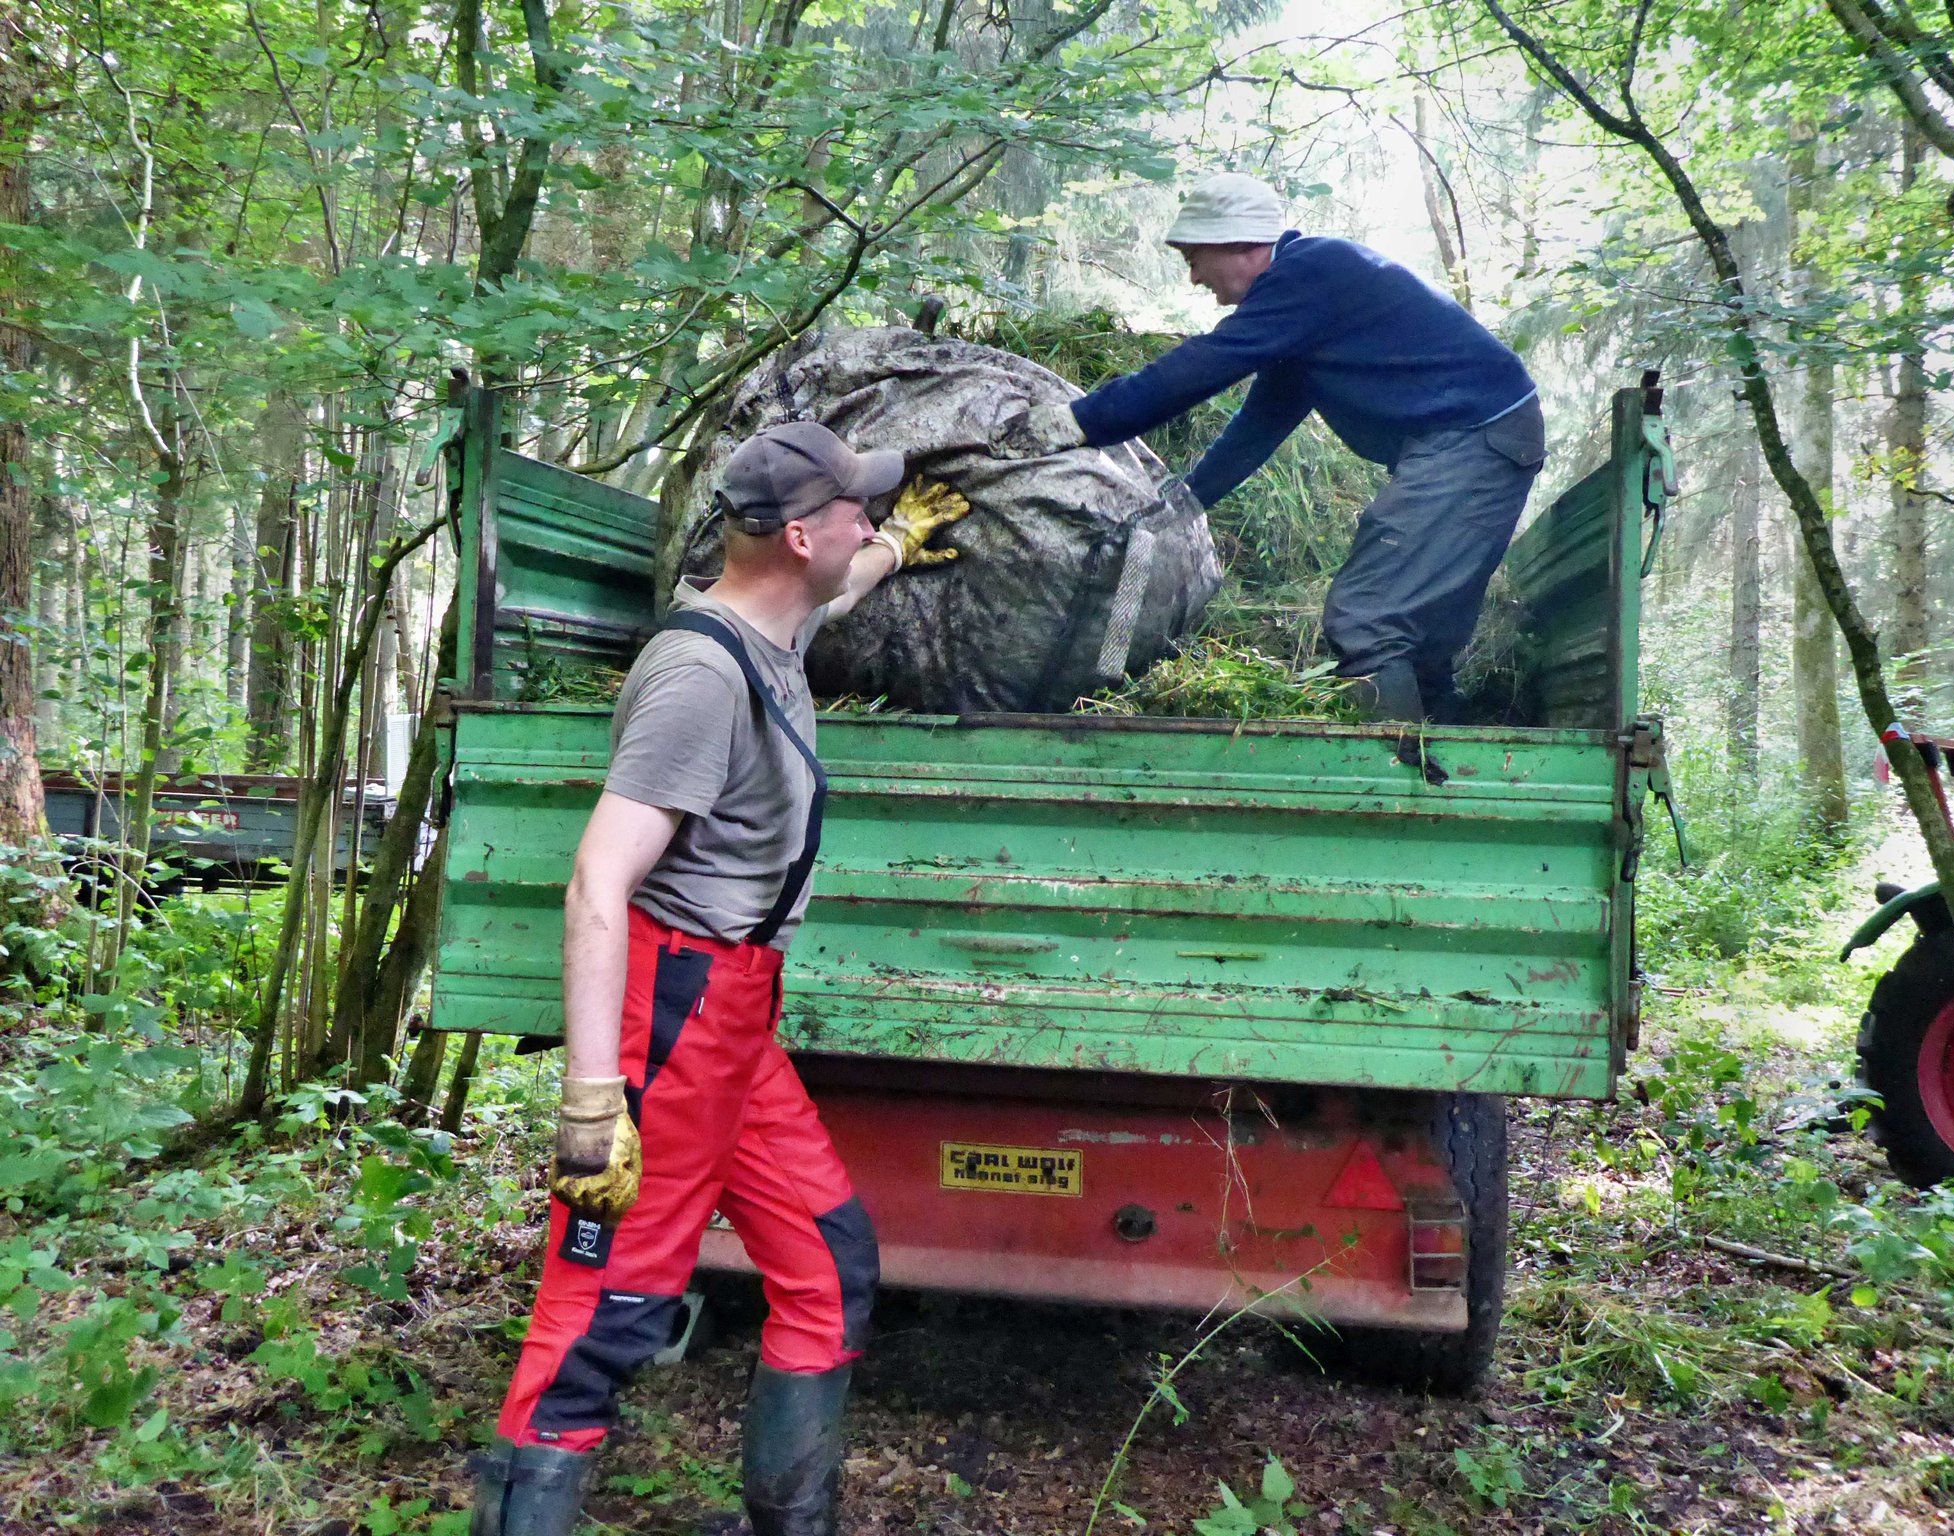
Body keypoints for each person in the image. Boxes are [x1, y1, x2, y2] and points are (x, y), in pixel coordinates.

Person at [470, 422, 972, 1536]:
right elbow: (599, 881)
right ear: (799, 534)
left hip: (735, 1018)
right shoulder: (699, 674)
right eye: (855, 511)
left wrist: (894, 547)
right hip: (673, 1015)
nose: (867, 521)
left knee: (827, 1261)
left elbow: (822, 600)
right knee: (602, 1314)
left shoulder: (769, 630)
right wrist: (592, 1105)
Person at [990, 171, 1545, 728]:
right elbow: (1264, 418)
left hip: (1475, 440)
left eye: (1194, 258)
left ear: (1236, 244)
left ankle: (1387, 785)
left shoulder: (1311, 272)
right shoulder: (1308, 299)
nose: (1193, 278)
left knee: (1369, 619)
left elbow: (1202, 365)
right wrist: (1188, 499)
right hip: (1481, 438)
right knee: (1415, 632)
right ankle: (1444, 767)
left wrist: (1078, 421)